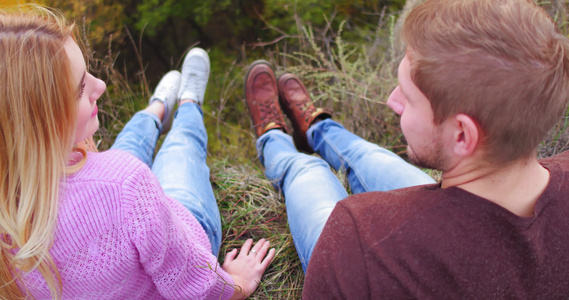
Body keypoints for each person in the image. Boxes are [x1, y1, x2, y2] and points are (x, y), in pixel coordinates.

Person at [244, 0, 569, 298]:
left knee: (307, 170)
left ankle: (272, 137)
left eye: (408, 97)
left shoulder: (358, 235)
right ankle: (317, 128)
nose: (392, 101)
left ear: (461, 135)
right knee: (366, 155)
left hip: (361, 261)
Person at [0, 6, 275, 299]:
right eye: (81, 87)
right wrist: (237, 285)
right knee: (180, 148)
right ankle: (188, 101)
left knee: (122, 153)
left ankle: (156, 108)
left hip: (118, 201)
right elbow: (194, 285)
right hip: (181, 231)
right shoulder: (124, 182)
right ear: (38, 121)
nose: (101, 85)